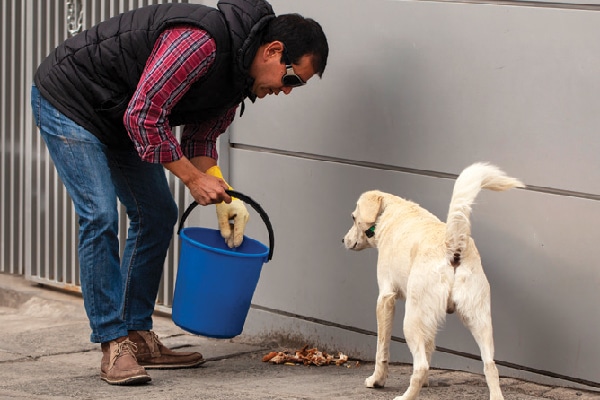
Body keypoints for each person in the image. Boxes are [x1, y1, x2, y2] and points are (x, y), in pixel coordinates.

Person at [31, 0, 328, 385]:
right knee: (100, 213)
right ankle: (112, 343)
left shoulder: (239, 78)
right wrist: (192, 180)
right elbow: (144, 117)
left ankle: (136, 333)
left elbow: (200, 139)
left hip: (120, 115)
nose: (287, 91)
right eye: (293, 79)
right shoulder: (200, 40)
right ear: (273, 51)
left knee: (157, 213)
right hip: (72, 100)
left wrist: (224, 194)